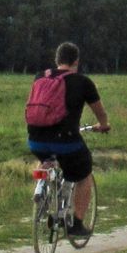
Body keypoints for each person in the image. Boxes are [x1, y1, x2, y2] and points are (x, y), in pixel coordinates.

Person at [25, 42, 109, 242]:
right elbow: (99, 111)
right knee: (84, 173)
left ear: (57, 60)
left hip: (35, 140)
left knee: (46, 156)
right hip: (66, 143)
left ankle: (41, 187)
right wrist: (103, 124)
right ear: (76, 62)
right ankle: (77, 225)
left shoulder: (40, 76)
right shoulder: (83, 82)